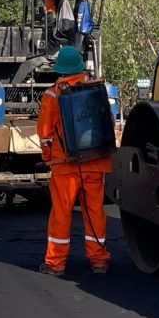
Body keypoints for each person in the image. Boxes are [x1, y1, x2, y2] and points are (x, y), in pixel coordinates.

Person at [36, 46, 112, 276]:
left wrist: (48, 157)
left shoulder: (53, 95)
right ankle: (99, 260)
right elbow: (105, 123)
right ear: (79, 67)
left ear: (60, 70)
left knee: (61, 212)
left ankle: (55, 263)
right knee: (94, 210)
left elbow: (45, 133)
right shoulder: (96, 90)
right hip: (95, 162)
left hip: (65, 165)